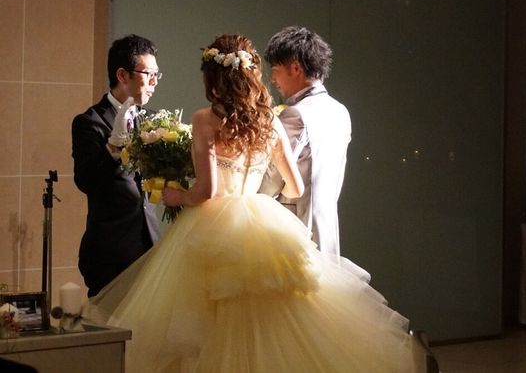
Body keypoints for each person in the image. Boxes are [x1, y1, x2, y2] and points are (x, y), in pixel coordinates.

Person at [86, 34, 422, 372]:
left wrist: (178, 196)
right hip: (261, 218)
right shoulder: (270, 120)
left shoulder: (205, 119)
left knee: (202, 322)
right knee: (275, 322)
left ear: (213, 77)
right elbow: (295, 186)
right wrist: (258, 199)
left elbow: (207, 191)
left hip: (211, 226)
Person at [72, 34, 161, 297]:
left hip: (150, 244)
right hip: (110, 250)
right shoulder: (90, 122)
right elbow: (86, 181)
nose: (154, 82)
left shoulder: (153, 120)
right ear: (123, 75)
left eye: (157, 75)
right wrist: (113, 147)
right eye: (148, 74)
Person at [260, 25, 351, 255]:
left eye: (275, 70)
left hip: (295, 229)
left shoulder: (297, 114)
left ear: (295, 68)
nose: (273, 79)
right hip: (326, 227)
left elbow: (273, 177)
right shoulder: (340, 111)